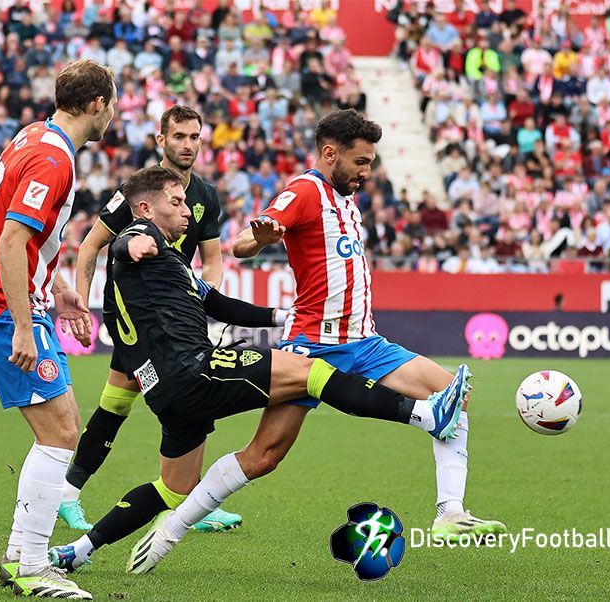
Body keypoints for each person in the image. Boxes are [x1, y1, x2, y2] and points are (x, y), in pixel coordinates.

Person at [106, 110, 506, 575]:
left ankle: (450, 513)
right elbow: (240, 245)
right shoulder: (304, 191)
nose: (367, 172)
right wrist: (259, 238)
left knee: (455, 396)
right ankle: (171, 531)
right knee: (263, 457)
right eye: (360, 162)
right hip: (313, 345)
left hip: (366, 341)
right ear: (330, 153)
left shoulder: (347, 199)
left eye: (370, 162)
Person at [0, 59, 117, 600]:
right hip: (3, 309)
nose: (113, 115)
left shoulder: (36, 135)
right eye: (112, 104)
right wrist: (25, 325)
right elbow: (8, 241)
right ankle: (27, 564)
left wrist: (56, 292)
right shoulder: (54, 159)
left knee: (64, 426)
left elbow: (22, 239)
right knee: (60, 433)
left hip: (18, 299)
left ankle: (22, 557)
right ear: (98, 104)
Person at [63, 106, 240, 533]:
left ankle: (72, 493)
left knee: (126, 400)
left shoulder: (205, 196)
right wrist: (81, 304)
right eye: (178, 136)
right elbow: (90, 248)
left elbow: (213, 259)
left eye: (194, 136)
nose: (187, 144)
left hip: (176, 320)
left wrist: (202, 302)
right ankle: (182, 499)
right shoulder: (139, 192)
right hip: (136, 316)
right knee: (169, 395)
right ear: (160, 140)